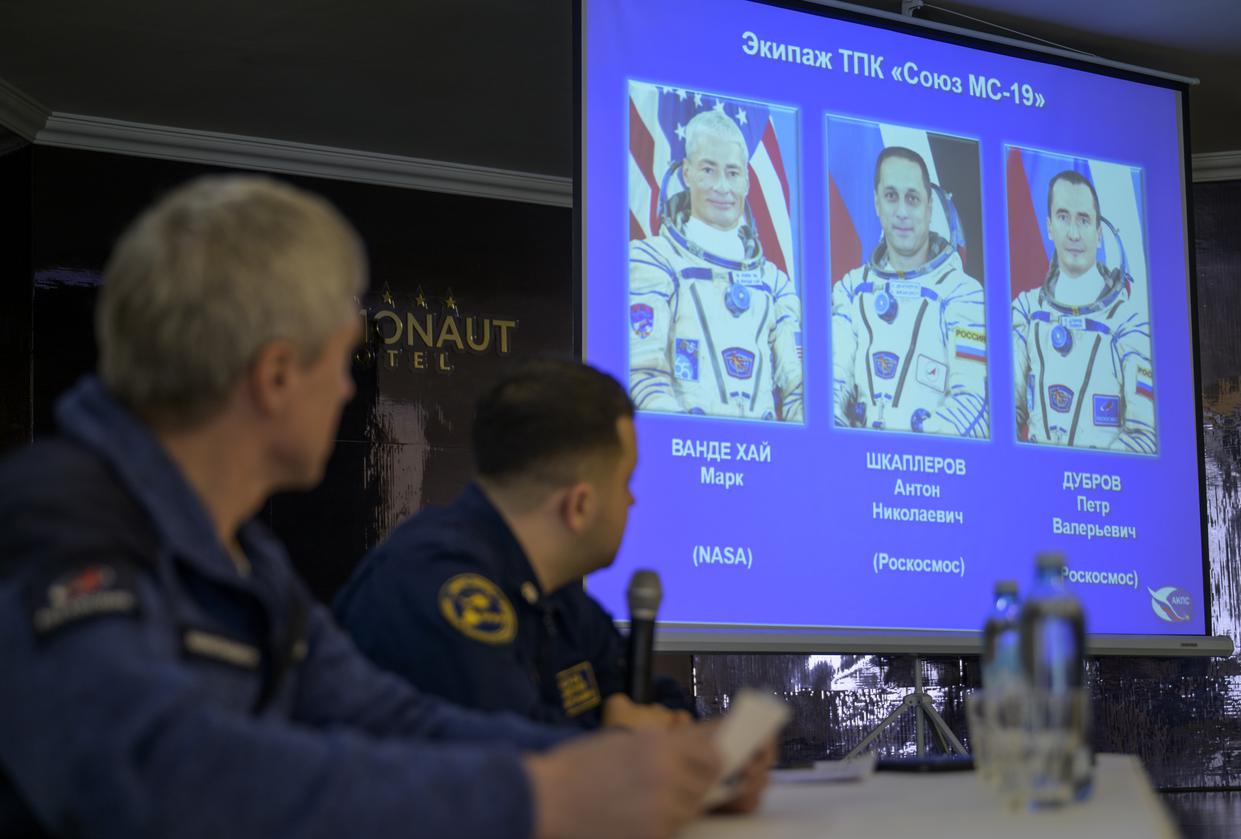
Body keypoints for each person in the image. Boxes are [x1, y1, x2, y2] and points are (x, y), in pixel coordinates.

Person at [0, 176, 737, 839]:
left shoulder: (244, 554)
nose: (351, 389)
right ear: (278, 375)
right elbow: (148, 772)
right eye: (343, 357)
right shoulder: (59, 520)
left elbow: (385, 719)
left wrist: (634, 765)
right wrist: (533, 794)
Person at [336, 360, 691, 731]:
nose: (631, 501)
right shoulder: (434, 583)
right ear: (579, 506)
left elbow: (649, 694)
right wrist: (615, 737)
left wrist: (675, 733)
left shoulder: (559, 597)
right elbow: (513, 760)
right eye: (625, 482)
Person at [629, 108, 804, 423]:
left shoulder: (774, 283)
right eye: (708, 170)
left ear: (747, 181)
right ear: (687, 173)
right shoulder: (654, 260)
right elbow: (644, 376)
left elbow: (798, 389)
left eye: (733, 173)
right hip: (685, 455)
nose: (722, 186)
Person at [831, 146, 988, 437]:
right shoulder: (851, 290)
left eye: (912, 199)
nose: (902, 212)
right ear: (877, 203)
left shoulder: (963, 294)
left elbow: (974, 404)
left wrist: (916, 445)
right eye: (891, 197)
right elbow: (832, 382)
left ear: (929, 209)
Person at [1012, 170, 1156, 453]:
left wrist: (1085, 474)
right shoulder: (1027, 312)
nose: (1074, 233)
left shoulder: (1128, 326)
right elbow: (1005, 413)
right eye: (1063, 218)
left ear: (1099, 233)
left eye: (1084, 220)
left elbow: (1145, 437)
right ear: (1050, 227)